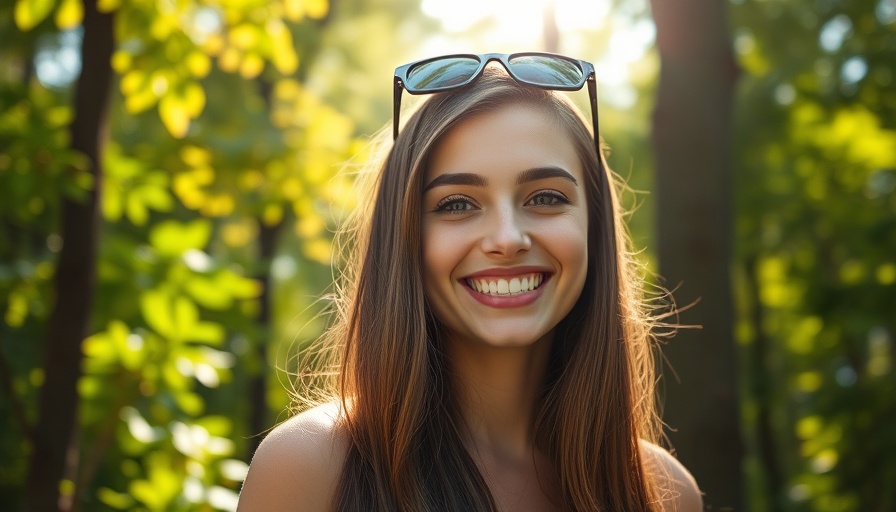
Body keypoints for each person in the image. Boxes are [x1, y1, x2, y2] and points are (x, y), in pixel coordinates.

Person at [237, 53, 702, 511]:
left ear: (593, 226)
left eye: (545, 197)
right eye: (457, 204)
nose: (507, 238)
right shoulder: (308, 469)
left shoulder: (665, 493)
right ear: (405, 238)